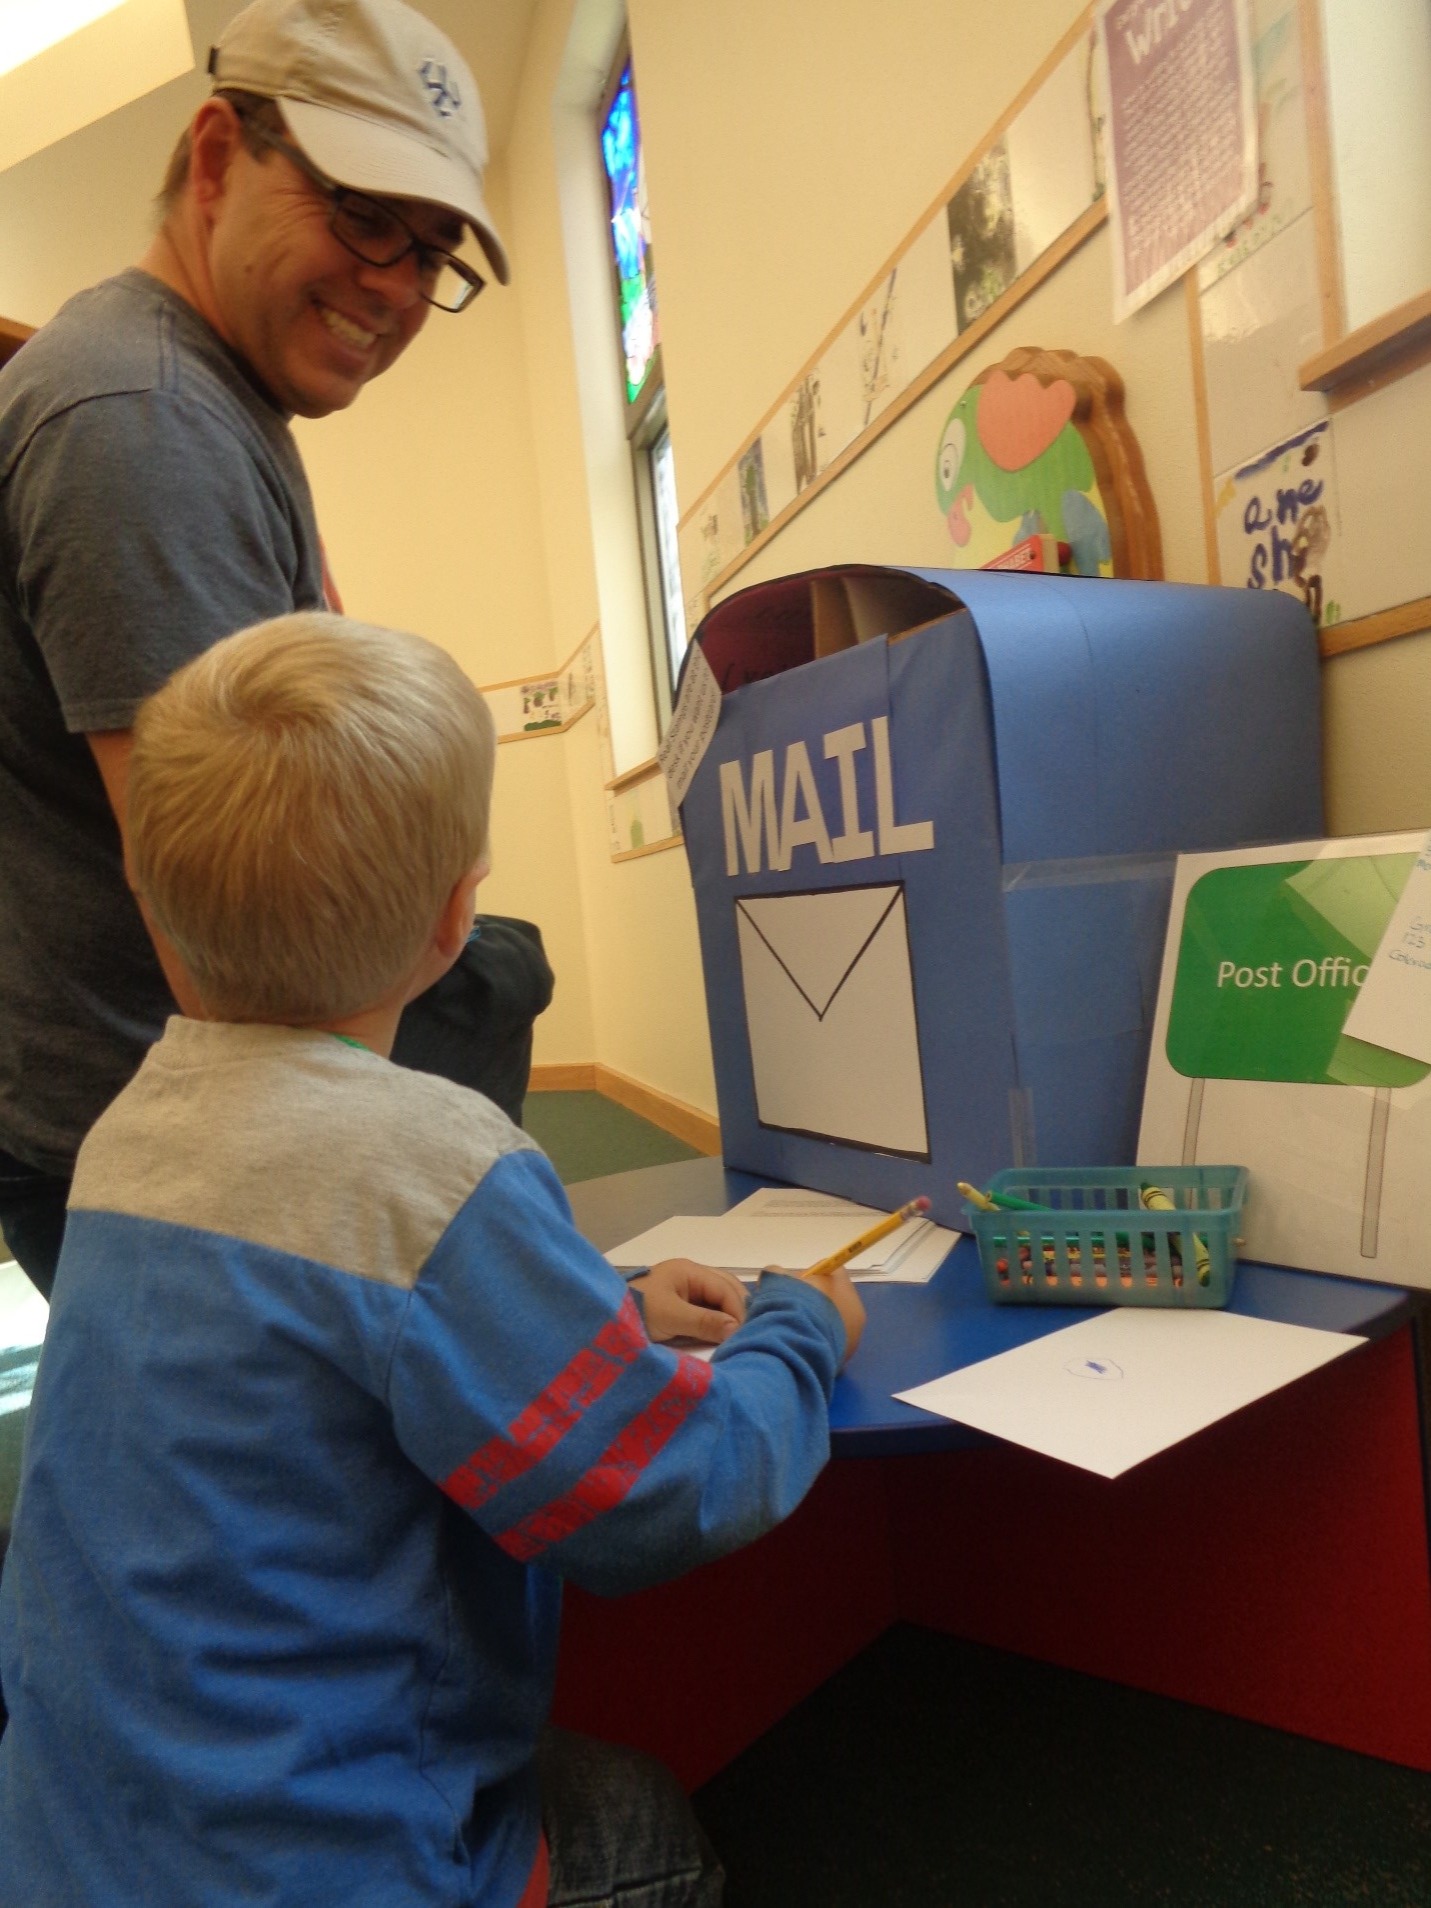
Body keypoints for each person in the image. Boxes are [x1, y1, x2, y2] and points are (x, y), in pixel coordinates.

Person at [0, 609, 867, 1907]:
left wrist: (607, 1306)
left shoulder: (128, 1133)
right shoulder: (437, 1165)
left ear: (148, 897)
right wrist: (802, 1331)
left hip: (72, 1851)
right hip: (323, 1876)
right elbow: (665, 1491)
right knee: (645, 1825)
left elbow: (319, 1323)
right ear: (461, 914)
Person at [0, 0, 534, 1298]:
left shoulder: (202, 393)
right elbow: (236, 947)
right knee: (488, 975)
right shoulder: (145, 421)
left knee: (488, 962)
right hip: (184, 1160)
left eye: (432, 252)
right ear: (215, 159)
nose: (396, 285)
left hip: (166, 1125)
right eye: (364, 215)